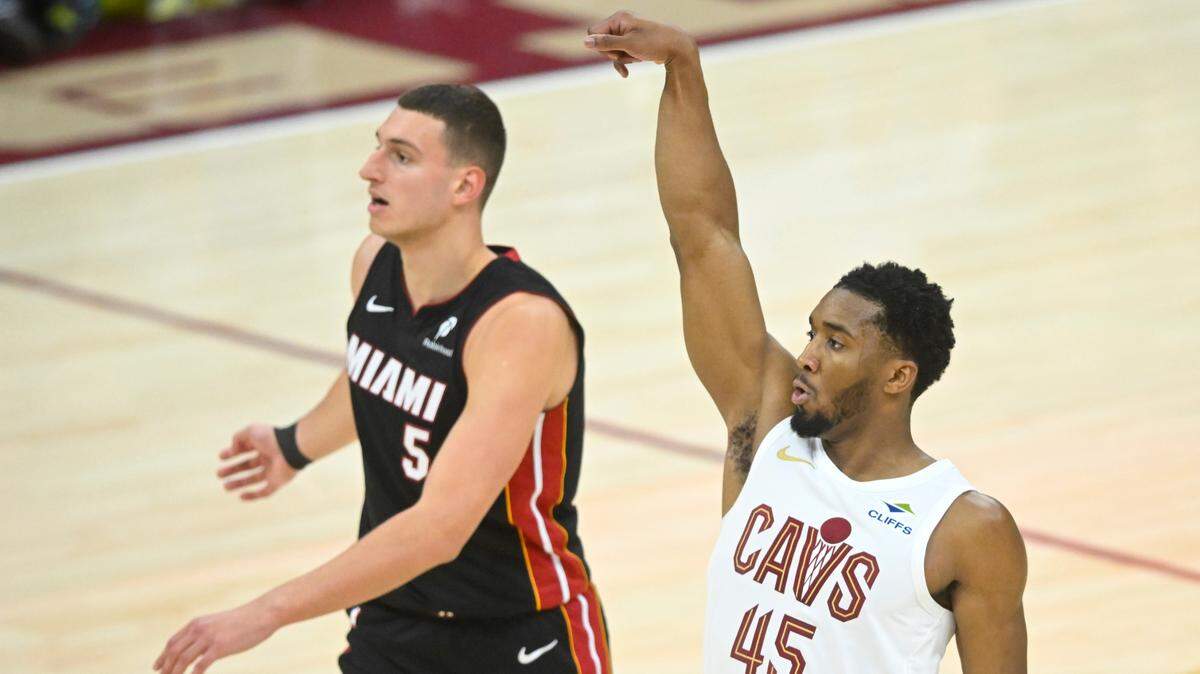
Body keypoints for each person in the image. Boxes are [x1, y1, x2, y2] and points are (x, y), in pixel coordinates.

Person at [585, 13, 1027, 673]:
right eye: (812, 333)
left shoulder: (964, 529)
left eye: (837, 342)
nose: (809, 355)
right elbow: (703, 236)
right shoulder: (766, 429)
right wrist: (682, 65)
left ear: (897, 377)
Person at [154, 84, 611, 674]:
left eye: (400, 157)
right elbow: (376, 371)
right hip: (395, 620)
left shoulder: (518, 324)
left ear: (464, 187)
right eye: (378, 150)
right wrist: (295, 444)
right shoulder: (374, 264)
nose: (369, 171)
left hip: (519, 632)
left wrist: (266, 611)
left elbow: (440, 529)